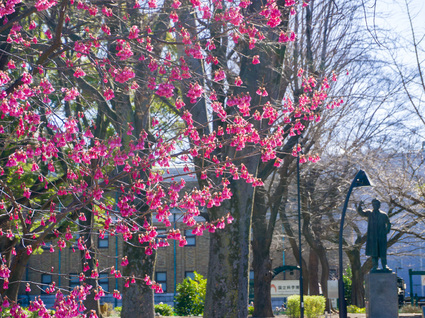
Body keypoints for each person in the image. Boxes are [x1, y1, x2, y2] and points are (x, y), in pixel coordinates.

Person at [357, 199, 391, 272]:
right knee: (374, 253)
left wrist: (386, 231)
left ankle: (384, 265)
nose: (375, 206)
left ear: (379, 205)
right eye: (374, 204)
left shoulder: (383, 215)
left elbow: (389, 224)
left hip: (381, 237)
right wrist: (359, 206)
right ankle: (375, 266)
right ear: (372, 205)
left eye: (377, 204)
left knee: (382, 252)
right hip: (373, 237)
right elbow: (361, 213)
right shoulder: (369, 213)